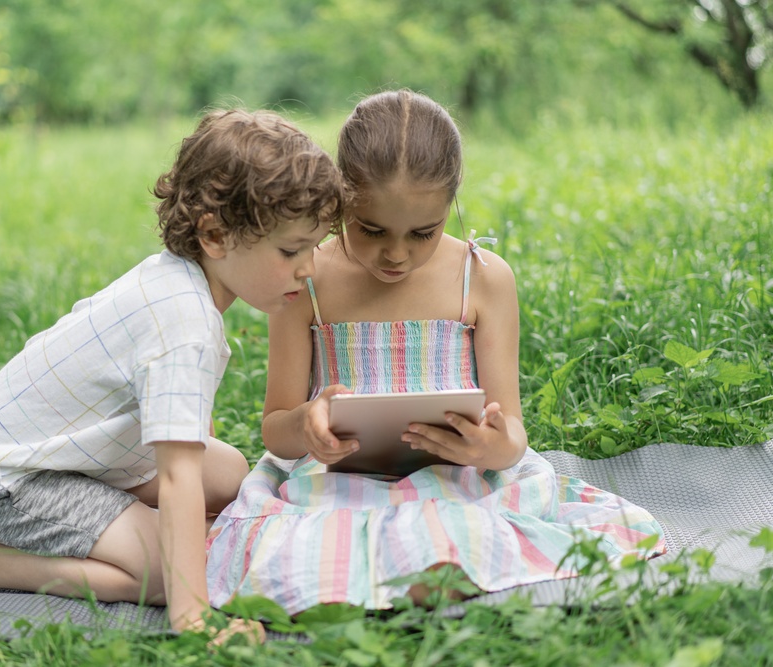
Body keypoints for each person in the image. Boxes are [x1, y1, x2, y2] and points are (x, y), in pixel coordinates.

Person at [0, 108, 347, 642]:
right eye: (292, 250)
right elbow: (178, 476)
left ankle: (125, 531)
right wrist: (192, 614)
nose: (310, 267)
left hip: (69, 449)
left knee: (226, 474)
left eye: (314, 246)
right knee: (168, 572)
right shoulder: (183, 324)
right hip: (7, 479)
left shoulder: (182, 278)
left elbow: (191, 465)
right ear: (215, 236)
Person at [206, 90, 666, 614]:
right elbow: (276, 429)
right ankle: (399, 579)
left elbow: (511, 433)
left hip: (455, 480)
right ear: (338, 200)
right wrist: (307, 424)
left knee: (459, 530)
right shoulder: (307, 279)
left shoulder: (483, 279)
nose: (396, 254)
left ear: (452, 204)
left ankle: (400, 578)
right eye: (371, 230)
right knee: (300, 546)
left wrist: (488, 449)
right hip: (336, 483)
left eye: (423, 233)